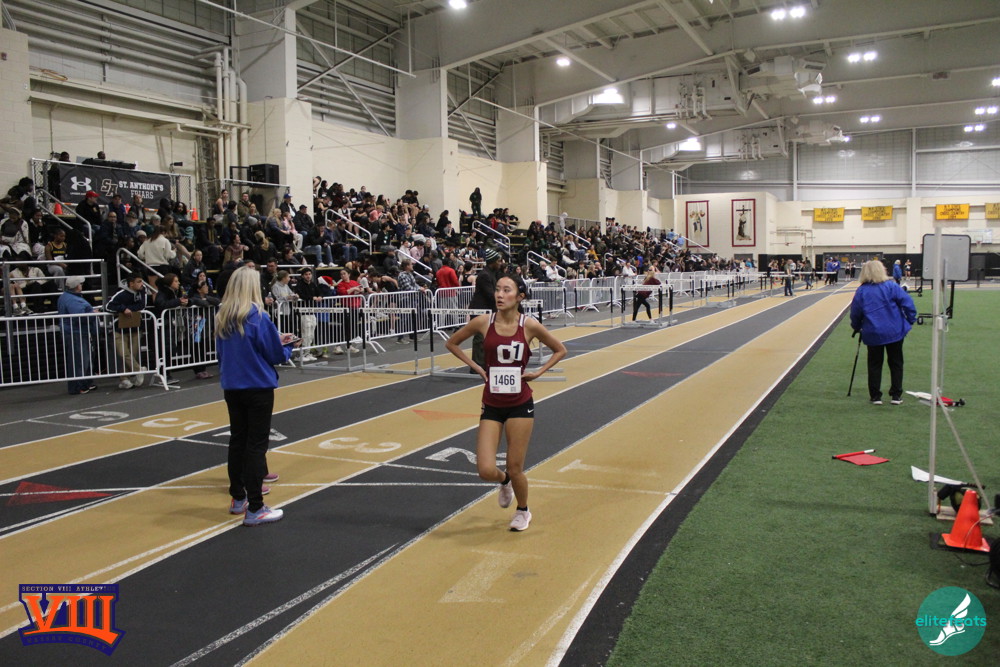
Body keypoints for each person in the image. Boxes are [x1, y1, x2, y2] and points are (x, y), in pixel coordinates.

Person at [445, 275, 567, 532]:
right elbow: (452, 343)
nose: (499, 295)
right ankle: (504, 481)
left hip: (520, 403)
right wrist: (478, 368)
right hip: (491, 403)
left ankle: (523, 510)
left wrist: (538, 372)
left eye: (506, 290)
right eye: (498, 289)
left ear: (520, 296)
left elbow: (560, 349)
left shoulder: (529, 325)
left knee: (515, 465)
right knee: (486, 470)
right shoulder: (483, 321)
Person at [216, 265, 300, 526]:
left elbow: (223, 355)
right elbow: (275, 354)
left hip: (232, 386)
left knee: (237, 441)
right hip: (257, 386)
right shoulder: (258, 317)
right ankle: (255, 506)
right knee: (255, 445)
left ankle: (238, 498)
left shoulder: (223, 317)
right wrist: (289, 347)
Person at [850, 260, 917, 406]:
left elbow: (855, 312)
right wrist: (911, 319)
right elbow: (908, 303)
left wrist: (856, 326)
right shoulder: (891, 286)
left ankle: (875, 396)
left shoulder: (862, 291)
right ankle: (896, 395)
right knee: (896, 362)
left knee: (874, 363)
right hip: (894, 330)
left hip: (873, 332)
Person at [105, 272, 149, 389]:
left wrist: (129, 309)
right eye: (138, 282)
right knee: (124, 353)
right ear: (131, 284)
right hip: (120, 329)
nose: (141, 284)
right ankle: (139, 370)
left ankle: (124, 378)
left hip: (135, 327)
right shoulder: (121, 294)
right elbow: (108, 306)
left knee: (132, 355)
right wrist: (123, 309)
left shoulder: (142, 290)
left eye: (141, 281)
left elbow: (142, 305)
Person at [57, 275, 98, 395]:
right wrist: (92, 313)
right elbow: (79, 317)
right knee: (80, 360)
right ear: (76, 286)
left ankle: (85, 382)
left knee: (83, 359)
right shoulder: (72, 299)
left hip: (76, 332)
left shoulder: (67, 297)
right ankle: (78, 386)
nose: (82, 285)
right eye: (80, 284)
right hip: (76, 333)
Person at [467, 247, 504, 369]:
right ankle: (477, 366)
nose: (500, 263)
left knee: (488, 337)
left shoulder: (491, 274)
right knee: (480, 337)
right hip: (480, 310)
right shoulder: (484, 275)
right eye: (498, 261)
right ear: (492, 261)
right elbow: (490, 294)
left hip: (487, 310)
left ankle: (485, 361)